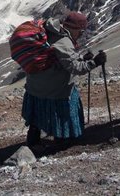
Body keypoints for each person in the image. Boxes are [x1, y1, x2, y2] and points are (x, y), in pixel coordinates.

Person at [21, 12, 104, 149]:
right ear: (77, 29)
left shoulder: (50, 33)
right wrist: (95, 62)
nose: (81, 34)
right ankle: (62, 138)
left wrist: (82, 58)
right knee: (63, 109)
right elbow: (75, 68)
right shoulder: (64, 41)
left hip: (35, 85)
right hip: (55, 89)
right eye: (81, 31)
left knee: (36, 117)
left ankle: (33, 139)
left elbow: (60, 61)